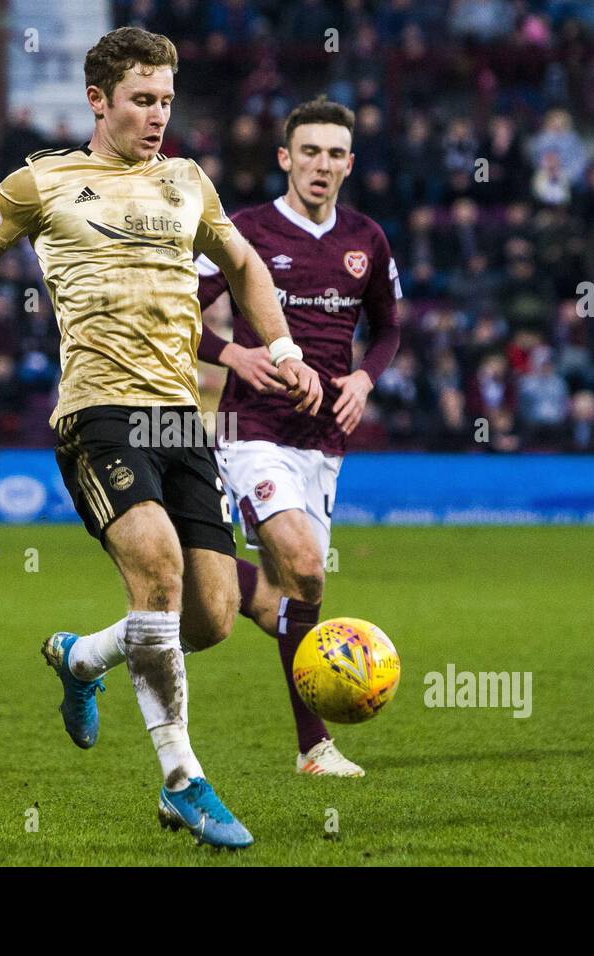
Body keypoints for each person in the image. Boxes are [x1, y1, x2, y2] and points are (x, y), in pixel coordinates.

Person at [0, 27, 321, 849]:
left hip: (181, 422)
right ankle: (183, 781)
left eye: (167, 100)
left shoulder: (188, 183)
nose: (158, 115)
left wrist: (284, 350)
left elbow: (244, 267)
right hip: (98, 416)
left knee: (212, 615)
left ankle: (81, 659)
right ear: (98, 101)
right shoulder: (43, 182)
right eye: (141, 100)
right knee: (158, 572)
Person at [194, 98, 402, 777]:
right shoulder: (244, 230)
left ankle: (204, 570)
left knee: (291, 600)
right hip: (252, 428)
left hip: (323, 442)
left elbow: (389, 328)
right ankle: (314, 744)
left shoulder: (366, 239)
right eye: (308, 151)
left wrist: (365, 380)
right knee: (309, 569)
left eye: (334, 153)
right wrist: (234, 355)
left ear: (349, 163)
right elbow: (176, 313)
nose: (321, 164)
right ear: (284, 158)